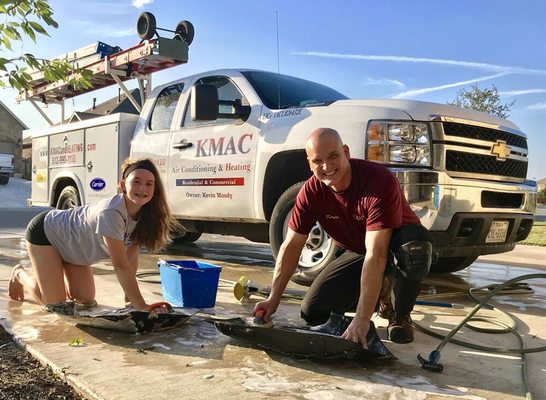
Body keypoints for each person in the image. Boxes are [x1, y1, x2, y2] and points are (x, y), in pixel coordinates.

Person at [255, 128, 433, 345]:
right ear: (309, 163)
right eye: (318, 161)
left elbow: (376, 254)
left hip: (396, 241)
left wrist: (362, 319)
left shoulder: (378, 180)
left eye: (333, 157)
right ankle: (383, 290)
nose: (327, 167)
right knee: (314, 312)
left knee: (415, 251)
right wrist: (273, 298)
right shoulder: (310, 193)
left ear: (346, 152)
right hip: (360, 249)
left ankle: (400, 314)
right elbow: (291, 245)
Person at [8, 158, 176, 313]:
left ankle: (53, 276)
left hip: (73, 248)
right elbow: (120, 265)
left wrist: (130, 302)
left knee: (86, 300)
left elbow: (130, 260)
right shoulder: (112, 213)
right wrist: (142, 306)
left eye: (149, 184)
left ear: (155, 189)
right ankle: (20, 274)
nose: (142, 188)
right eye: (136, 182)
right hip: (47, 233)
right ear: (123, 185)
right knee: (55, 305)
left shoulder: (145, 216)